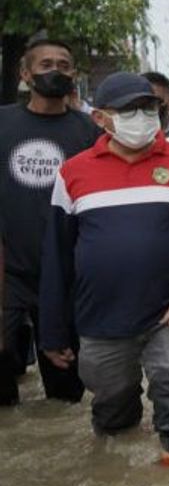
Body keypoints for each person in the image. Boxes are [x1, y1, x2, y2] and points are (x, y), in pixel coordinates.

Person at [39, 71, 169, 466]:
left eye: (148, 107)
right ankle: (120, 479)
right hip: (101, 320)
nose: (141, 116)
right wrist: (52, 331)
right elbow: (57, 256)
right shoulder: (72, 173)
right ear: (101, 118)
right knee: (113, 410)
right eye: (128, 110)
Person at [0, 39, 98, 405]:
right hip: (7, 271)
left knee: (67, 387)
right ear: (25, 74)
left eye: (63, 65)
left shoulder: (89, 132)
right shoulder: (3, 123)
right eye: (45, 65)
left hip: (66, 275)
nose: (55, 71)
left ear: (73, 74)